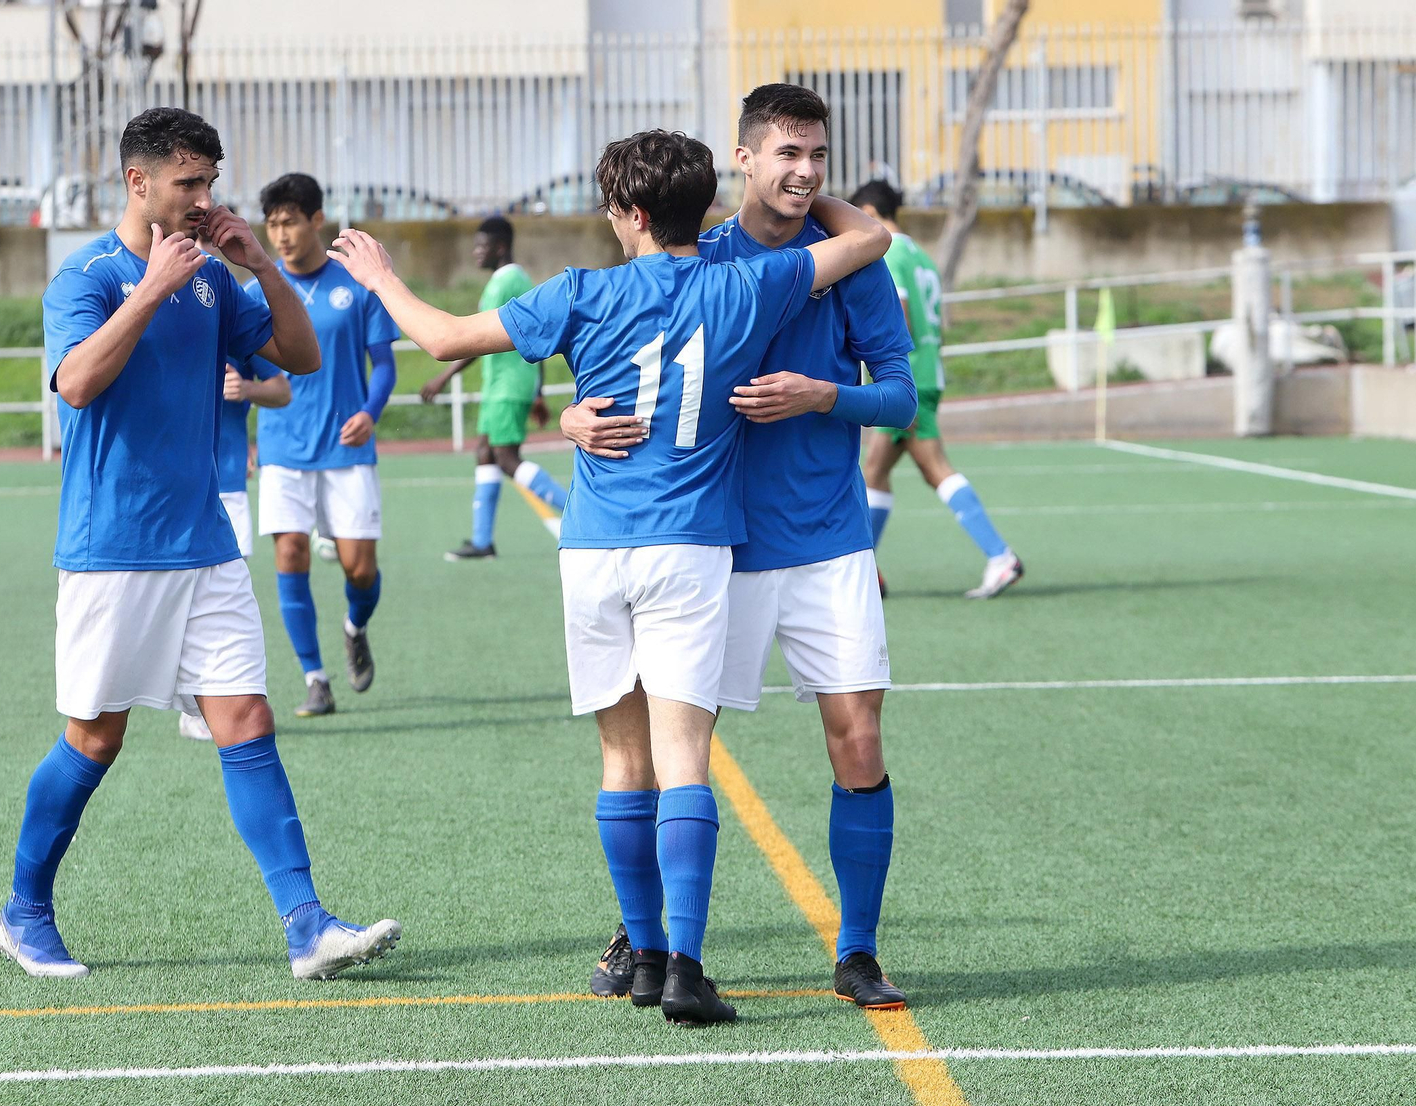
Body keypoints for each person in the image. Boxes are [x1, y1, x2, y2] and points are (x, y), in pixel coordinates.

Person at [327, 129, 889, 1024]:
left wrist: (381, 278)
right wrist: (802, 181)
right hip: (692, 548)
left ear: (625, 213)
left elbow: (440, 341)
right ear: (700, 205)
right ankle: (686, 971)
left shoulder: (578, 294)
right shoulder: (747, 283)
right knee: (685, 763)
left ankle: (641, 953)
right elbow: (868, 240)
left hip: (593, 547)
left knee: (623, 763)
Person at [0, 107, 399, 981]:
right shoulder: (88, 276)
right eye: (187, 183)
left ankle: (307, 926)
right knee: (94, 740)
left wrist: (255, 262)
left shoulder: (216, 280)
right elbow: (74, 384)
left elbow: (298, 356)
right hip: (113, 548)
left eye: (209, 183)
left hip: (207, 546)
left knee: (247, 720)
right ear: (136, 183)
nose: (201, 199)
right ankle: (23, 911)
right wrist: (150, 287)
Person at [562, 86, 917, 1011]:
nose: (803, 172)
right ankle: (651, 940)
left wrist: (822, 395)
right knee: (671, 753)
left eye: (818, 157)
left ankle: (859, 950)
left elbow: (904, 397)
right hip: (715, 549)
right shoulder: (701, 255)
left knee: (860, 738)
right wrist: (570, 418)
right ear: (745, 159)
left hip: (831, 542)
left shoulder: (850, 266)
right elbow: (610, 359)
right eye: (787, 154)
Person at [248, 173, 400, 718]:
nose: (281, 234)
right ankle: (315, 677)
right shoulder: (257, 293)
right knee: (289, 551)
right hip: (283, 446)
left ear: (316, 220)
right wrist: (242, 436)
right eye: (272, 224)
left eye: (290, 221)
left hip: (345, 445)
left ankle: (355, 625)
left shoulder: (355, 285)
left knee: (360, 569)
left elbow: (384, 365)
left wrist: (369, 412)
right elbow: (244, 374)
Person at [850, 179, 1023, 600]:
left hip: (903, 381)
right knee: (876, 470)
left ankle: (1000, 556)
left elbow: (899, 318)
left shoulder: (886, 250)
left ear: (870, 213)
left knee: (933, 467)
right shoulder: (922, 256)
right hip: (926, 374)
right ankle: (866, 570)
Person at [419, 215, 566, 557]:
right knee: (485, 451)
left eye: (481, 246)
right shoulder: (520, 279)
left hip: (506, 387)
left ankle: (573, 510)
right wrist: (539, 390)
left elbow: (475, 340)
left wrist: (443, 377)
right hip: (509, 385)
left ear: (499, 248)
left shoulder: (503, 283)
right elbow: (535, 336)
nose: (475, 253)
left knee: (506, 457)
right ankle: (482, 541)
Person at [178, 358, 292, 740]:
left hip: (228, 484)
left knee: (222, 602)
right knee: (181, 601)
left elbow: (282, 389)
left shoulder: (233, 319)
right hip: (174, 485)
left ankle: (207, 706)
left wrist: (247, 389)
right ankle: (190, 701)